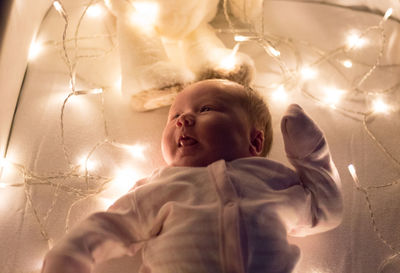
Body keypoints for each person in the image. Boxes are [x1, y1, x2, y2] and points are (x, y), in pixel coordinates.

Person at [41, 79, 342, 273]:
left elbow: (324, 210)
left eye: (206, 108)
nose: (183, 119)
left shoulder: (274, 179)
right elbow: (112, 225)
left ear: (255, 142)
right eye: (174, 117)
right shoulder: (160, 185)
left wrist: (310, 154)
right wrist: (71, 256)